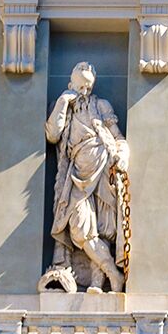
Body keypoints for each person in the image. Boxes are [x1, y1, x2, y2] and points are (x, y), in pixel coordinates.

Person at [43, 62, 131, 293]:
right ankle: (113, 273)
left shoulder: (101, 106)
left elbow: (117, 137)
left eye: (88, 88)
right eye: (80, 87)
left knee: (101, 228)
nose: (84, 93)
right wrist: (63, 101)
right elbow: (53, 134)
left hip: (102, 167)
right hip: (76, 174)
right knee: (80, 229)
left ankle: (97, 283)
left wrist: (122, 155)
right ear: (71, 85)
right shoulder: (63, 106)